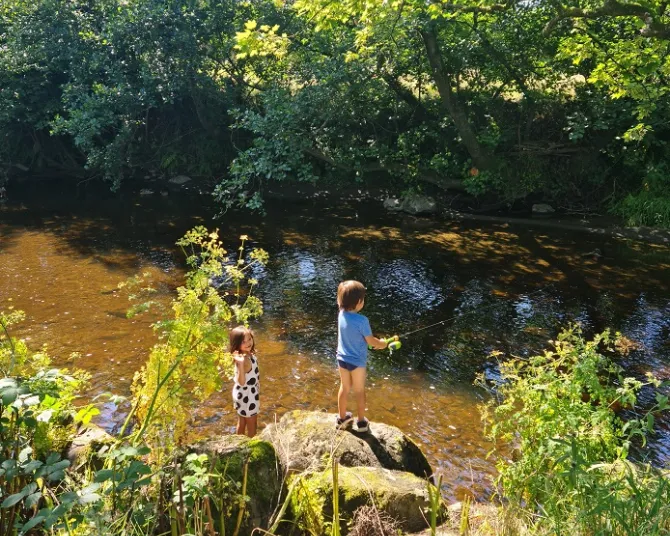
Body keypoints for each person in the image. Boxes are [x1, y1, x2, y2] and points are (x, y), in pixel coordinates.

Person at [336, 280, 389, 432]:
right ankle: (361, 423)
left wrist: (373, 343)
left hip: (342, 359)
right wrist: (382, 343)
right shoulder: (362, 320)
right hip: (357, 362)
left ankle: (341, 419)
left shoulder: (341, 314)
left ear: (341, 301)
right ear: (359, 302)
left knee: (344, 388)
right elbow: (371, 341)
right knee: (359, 391)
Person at [230, 325, 260, 437]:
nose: (248, 343)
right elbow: (241, 382)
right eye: (243, 341)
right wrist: (241, 365)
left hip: (242, 394)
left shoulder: (248, 354)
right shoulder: (243, 360)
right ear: (237, 344)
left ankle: (238, 443)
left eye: (249, 339)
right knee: (252, 424)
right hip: (247, 396)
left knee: (242, 421)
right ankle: (252, 445)